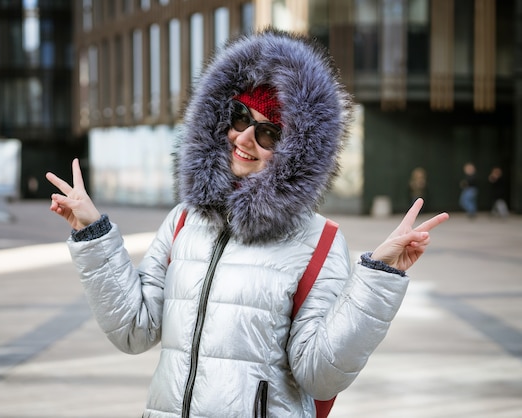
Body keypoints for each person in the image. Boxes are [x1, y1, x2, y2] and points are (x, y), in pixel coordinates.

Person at [46, 29, 449, 418]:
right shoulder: (185, 220)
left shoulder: (319, 242)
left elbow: (320, 376)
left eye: (269, 132)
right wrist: (93, 232)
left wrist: (378, 279)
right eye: (240, 117)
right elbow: (133, 329)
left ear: (297, 150)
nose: (244, 138)